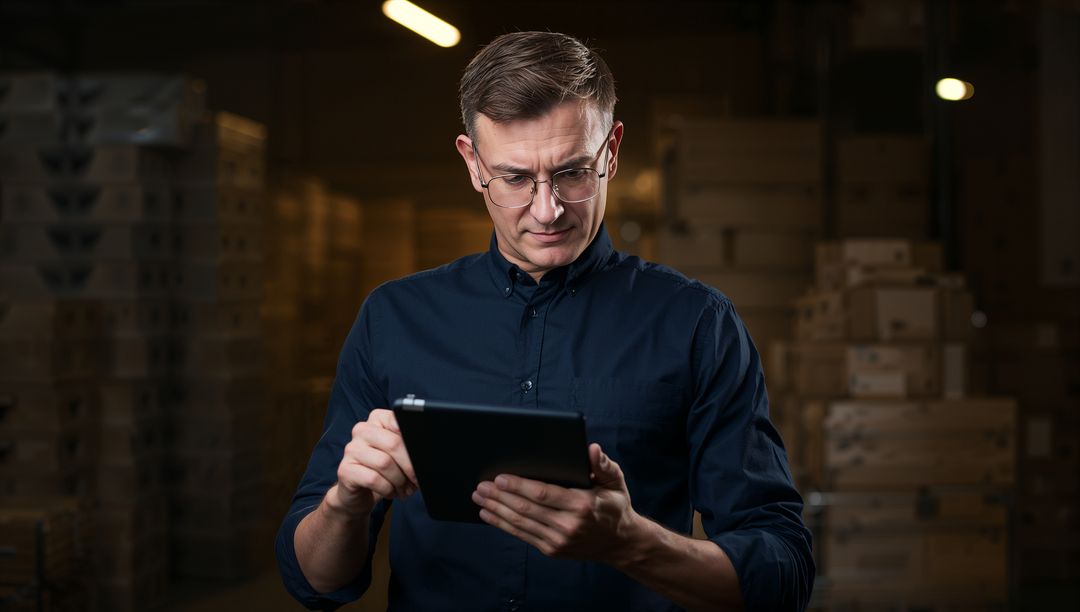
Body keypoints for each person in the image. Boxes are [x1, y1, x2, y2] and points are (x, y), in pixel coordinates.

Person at [276, 31, 814, 612]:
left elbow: (783, 574)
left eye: (573, 172)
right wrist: (344, 504)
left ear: (611, 152)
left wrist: (632, 544)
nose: (547, 209)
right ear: (472, 162)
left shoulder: (697, 325)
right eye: (514, 178)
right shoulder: (393, 318)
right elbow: (316, 581)